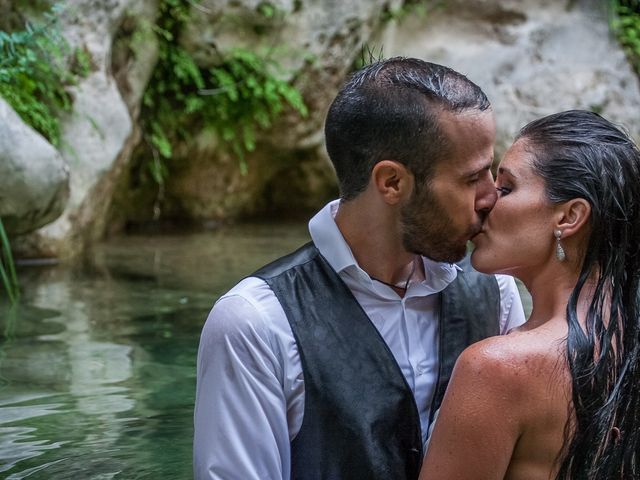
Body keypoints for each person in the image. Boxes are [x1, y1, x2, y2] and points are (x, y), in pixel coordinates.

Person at [193, 57, 526, 480]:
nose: (490, 196)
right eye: (471, 178)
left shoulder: (497, 291)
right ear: (391, 183)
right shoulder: (254, 324)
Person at [419, 110, 640, 479]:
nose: (485, 200)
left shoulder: (497, 369)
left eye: (506, 188)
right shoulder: (627, 342)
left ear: (569, 217)